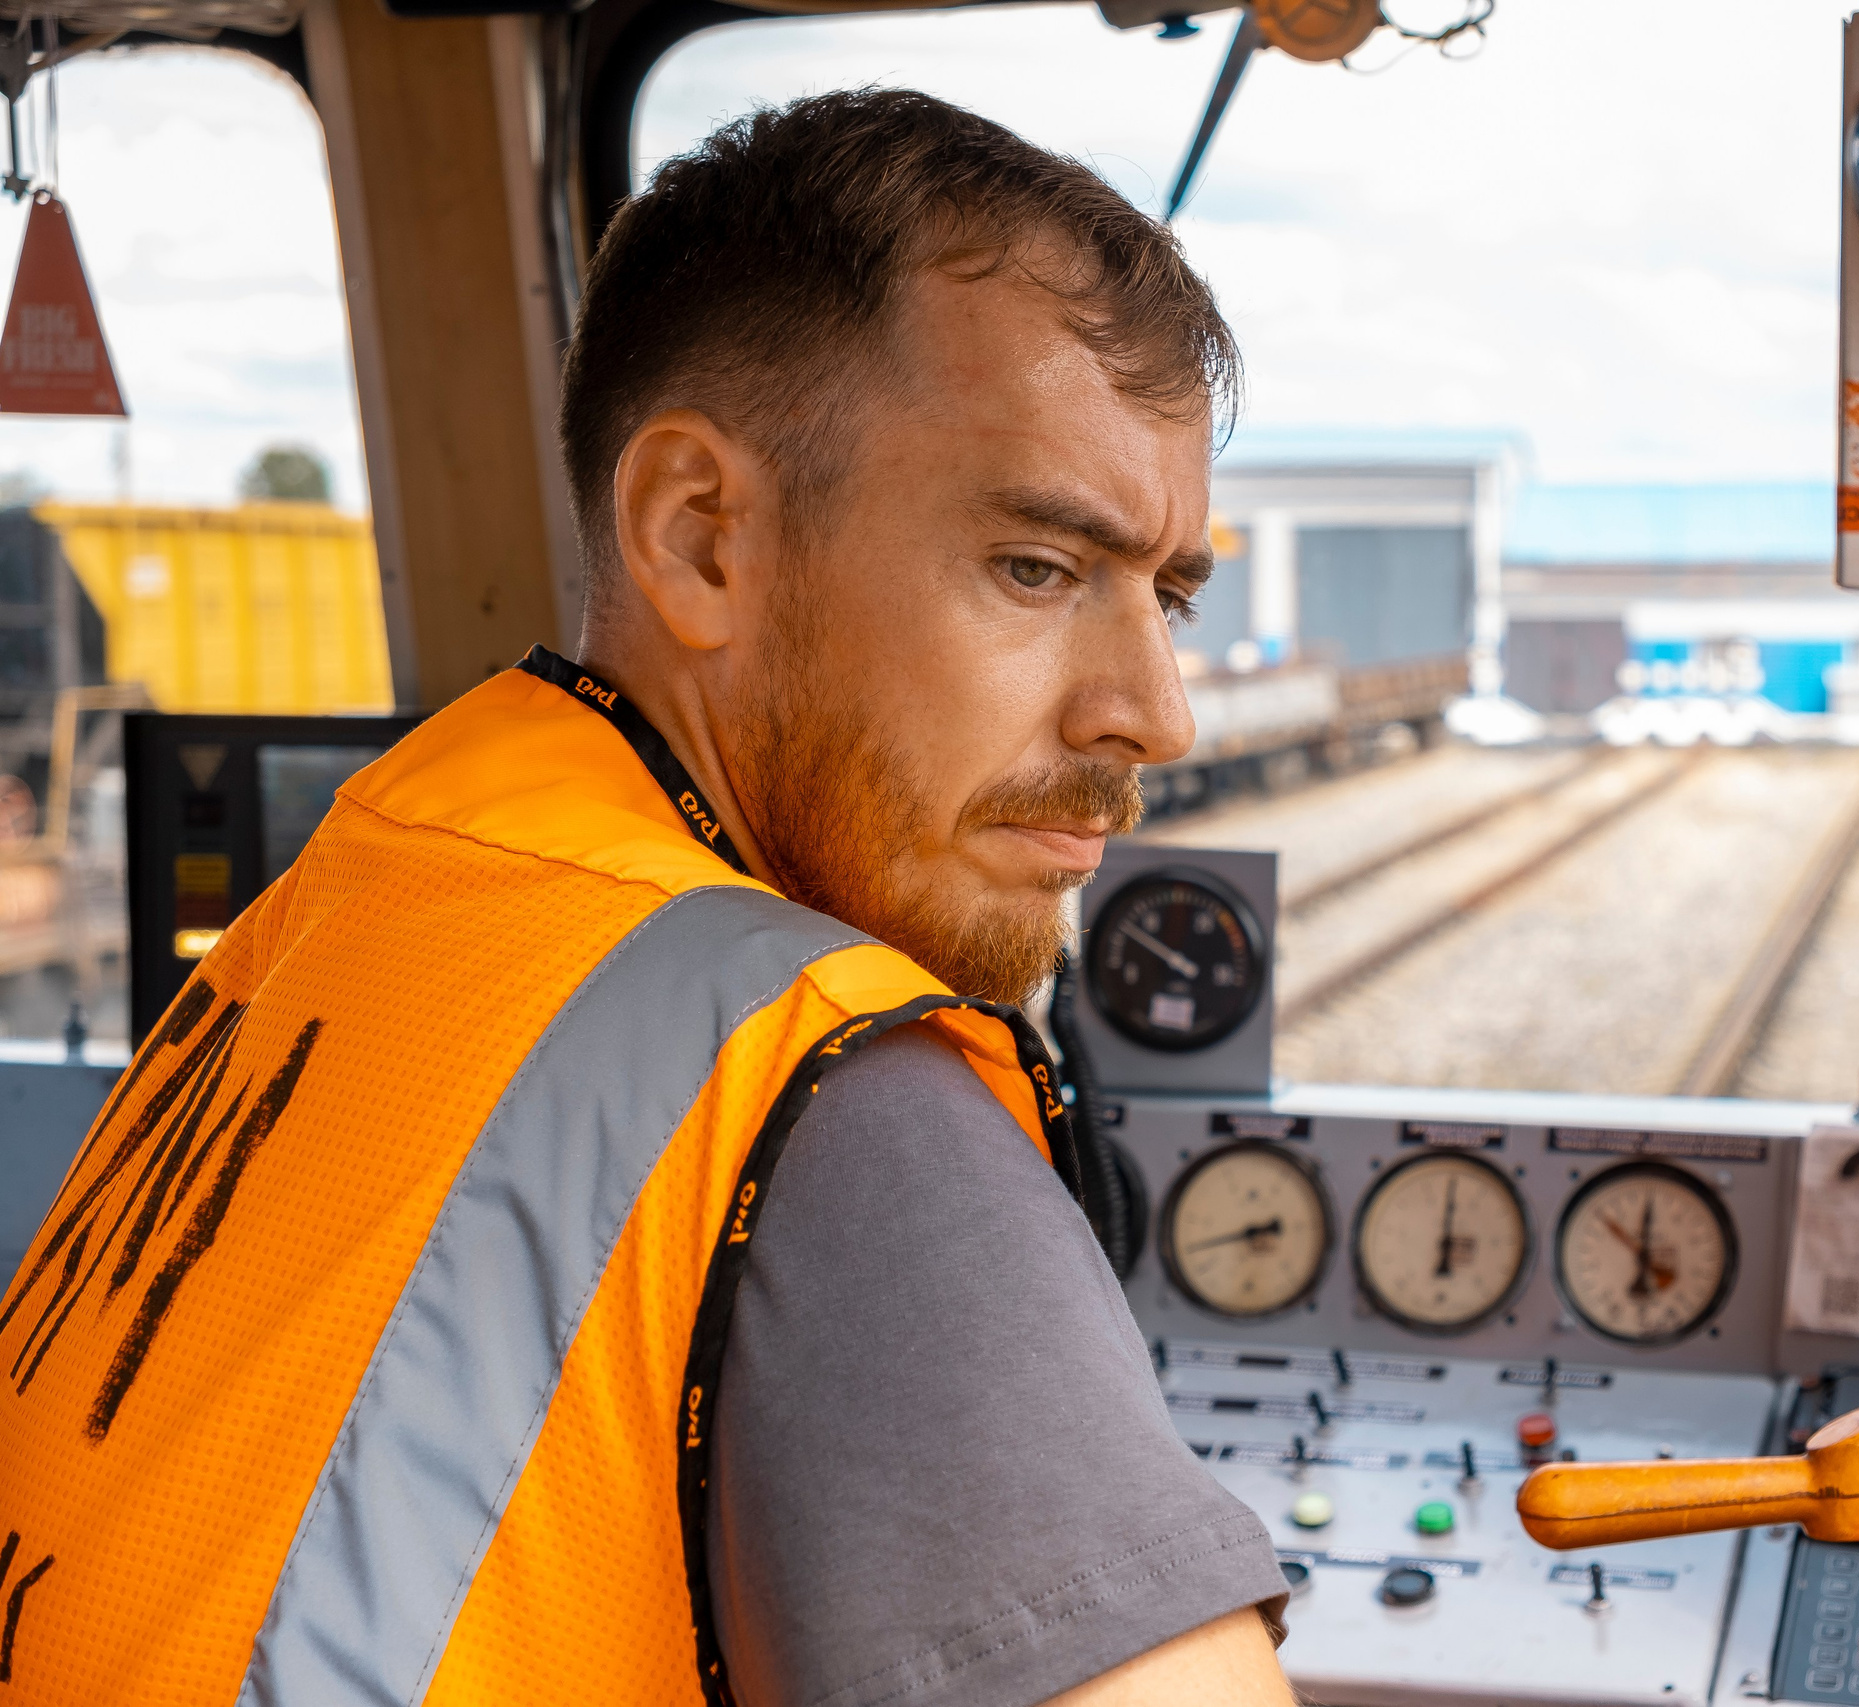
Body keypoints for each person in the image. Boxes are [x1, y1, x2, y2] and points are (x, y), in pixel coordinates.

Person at [0, 90, 1295, 1707]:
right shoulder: (837, 1104)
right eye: (1036, 569)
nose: (1154, 714)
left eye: (1167, 596)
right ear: (699, 538)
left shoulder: (362, 892)